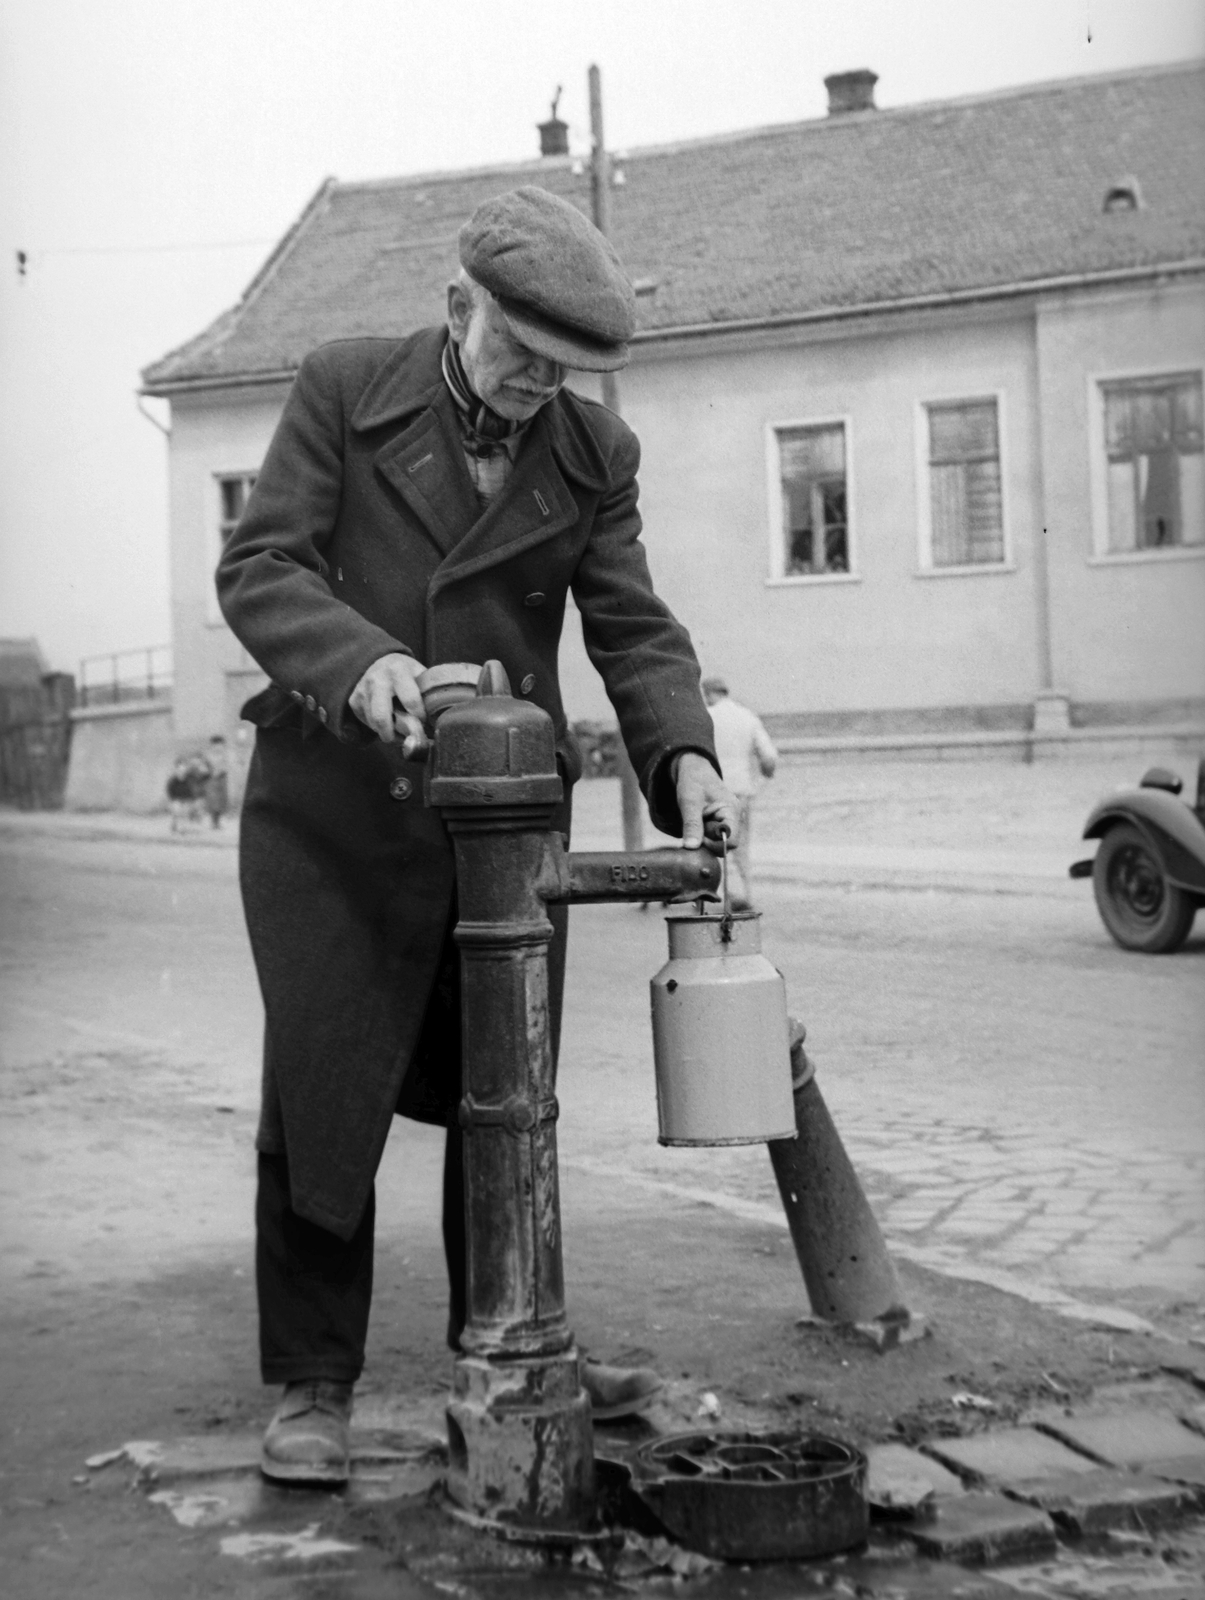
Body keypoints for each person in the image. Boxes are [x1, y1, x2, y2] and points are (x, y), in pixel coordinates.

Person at [215, 185, 738, 1485]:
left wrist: (685, 760)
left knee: (507, 1102)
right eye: (515, 356)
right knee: (320, 1099)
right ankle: (312, 1388)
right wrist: (364, 666)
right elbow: (262, 566)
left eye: (559, 372)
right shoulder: (344, 389)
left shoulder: (592, 456)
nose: (529, 390)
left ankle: (509, 1354)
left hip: (500, 832)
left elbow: (629, 627)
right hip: (333, 816)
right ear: (460, 307)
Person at [702, 676, 777, 911]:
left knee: (712, 844)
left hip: (714, 792)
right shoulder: (748, 717)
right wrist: (761, 783)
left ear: (709, 694)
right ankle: (747, 893)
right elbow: (770, 758)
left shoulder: (706, 718)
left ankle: (720, 895)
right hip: (742, 791)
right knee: (742, 845)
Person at [202, 734, 229, 829]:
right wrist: (210, 772)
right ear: (212, 745)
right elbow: (204, 768)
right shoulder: (208, 756)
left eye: (221, 745)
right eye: (217, 745)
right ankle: (213, 822)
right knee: (213, 802)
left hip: (221, 780)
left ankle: (217, 822)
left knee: (221, 802)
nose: (219, 747)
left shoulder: (224, 756)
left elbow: (226, 768)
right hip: (211, 781)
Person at [166, 757, 193, 833]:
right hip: (176, 799)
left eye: (184, 768)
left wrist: (189, 798)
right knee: (176, 812)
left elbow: (190, 789)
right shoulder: (173, 780)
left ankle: (183, 828)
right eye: (180, 769)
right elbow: (170, 789)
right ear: (176, 769)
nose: (182, 771)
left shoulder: (188, 780)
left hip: (185, 799)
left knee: (184, 814)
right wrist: (172, 798)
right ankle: (174, 823)